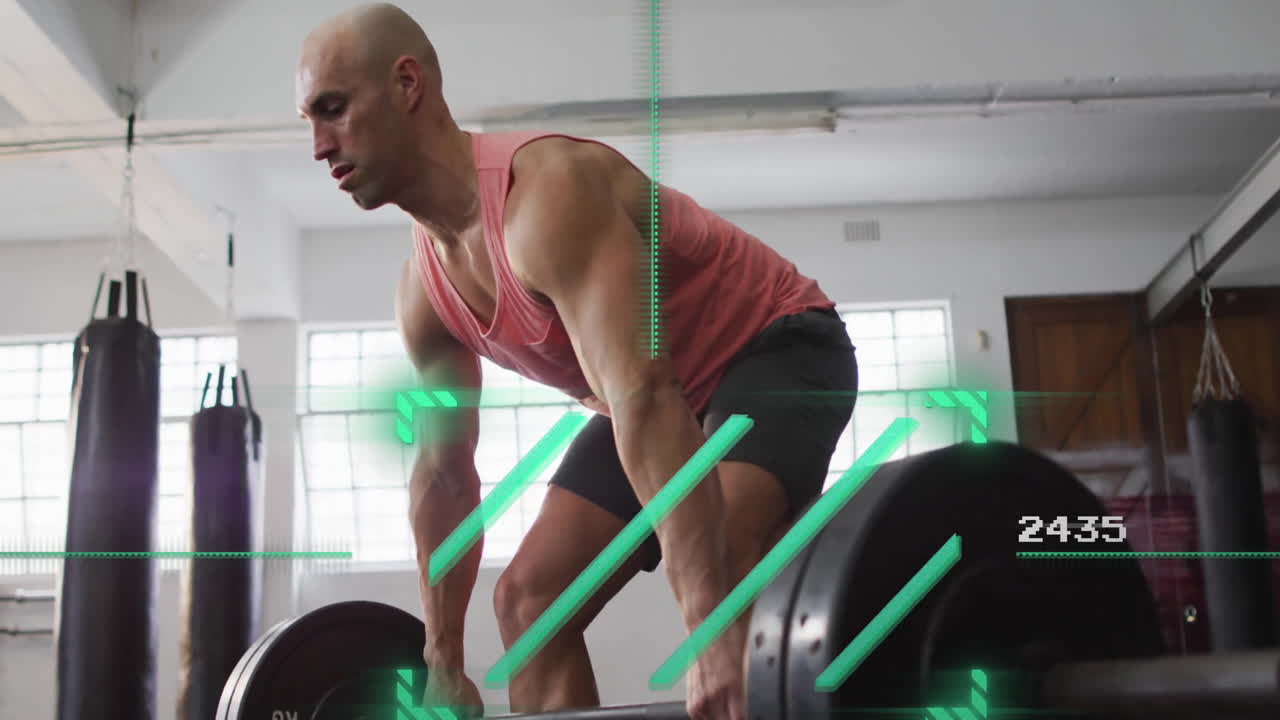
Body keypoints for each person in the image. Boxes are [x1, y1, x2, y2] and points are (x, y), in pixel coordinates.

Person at [296, 4, 857, 719]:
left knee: (727, 549)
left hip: (776, 345)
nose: (318, 146)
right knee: (530, 605)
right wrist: (442, 660)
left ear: (407, 83)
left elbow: (645, 393)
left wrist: (712, 632)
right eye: (308, 120)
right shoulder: (423, 294)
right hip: (651, 392)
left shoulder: (547, 195)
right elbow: (443, 473)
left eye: (333, 109)